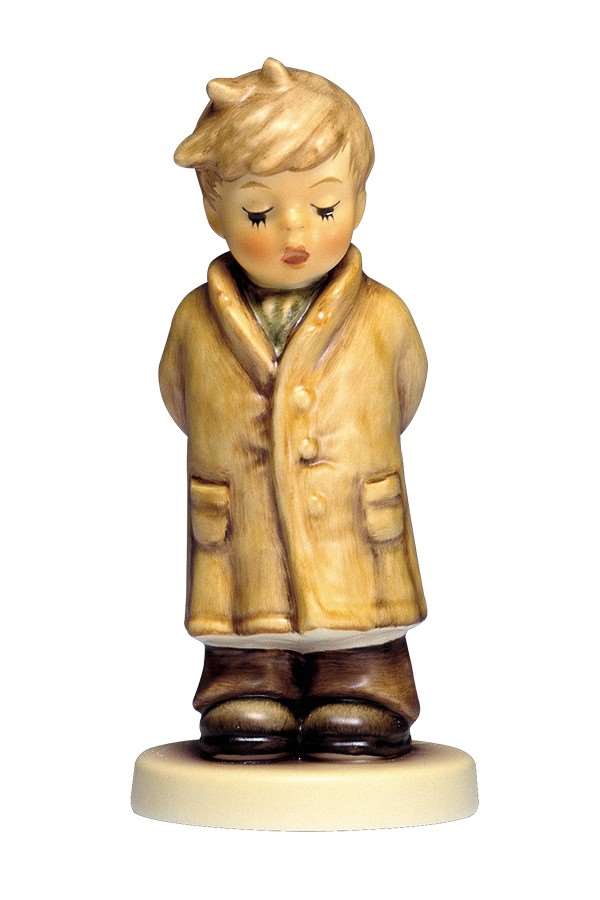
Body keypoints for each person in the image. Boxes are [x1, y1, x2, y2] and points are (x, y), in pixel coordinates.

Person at [160, 58, 428, 761]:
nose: (294, 231)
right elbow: (181, 398)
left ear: (359, 198)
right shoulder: (194, 321)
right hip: (239, 523)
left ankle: (366, 689)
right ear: (213, 208)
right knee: (247, 620)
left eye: (325, 207)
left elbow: (404, 394)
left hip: (354, 518)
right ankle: (247, 686)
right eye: (258, 213)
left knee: (360, 620)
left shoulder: (383, 315)